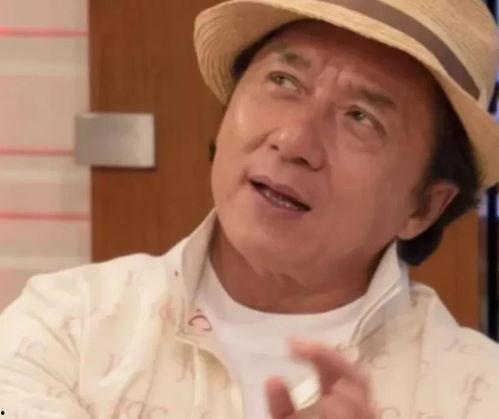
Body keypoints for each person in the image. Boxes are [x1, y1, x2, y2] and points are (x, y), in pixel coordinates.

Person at [1, 0, 498, 418]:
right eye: (284, 80)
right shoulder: (65, 326)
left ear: (425, 206)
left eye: (360, 117)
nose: (294, 140)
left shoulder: (476, 394)